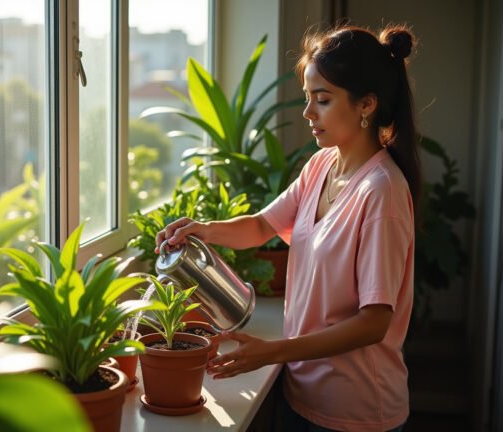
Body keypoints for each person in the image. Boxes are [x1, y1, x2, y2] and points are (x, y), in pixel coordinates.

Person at [155, 24, 421, 432]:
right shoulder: (322, 165)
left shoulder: (381, 192)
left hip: (356, 411)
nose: (308, 112)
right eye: (308, 98)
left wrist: (272, 351)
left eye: (323, 100)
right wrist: (202, 230)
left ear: (366, 105)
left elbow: (373, 323)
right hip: (303, 394)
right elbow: (263, 225)